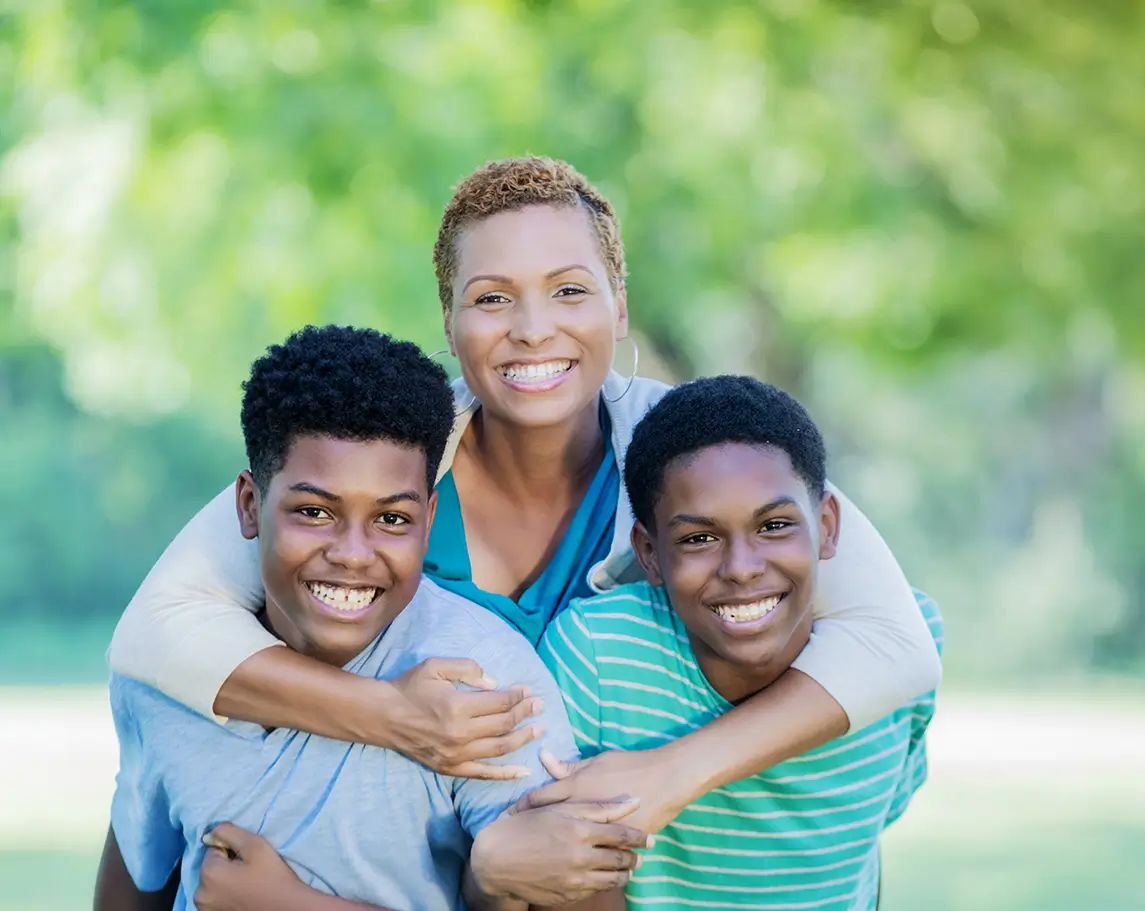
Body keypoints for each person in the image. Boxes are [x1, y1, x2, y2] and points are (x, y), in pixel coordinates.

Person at [106, 156, 942, 830]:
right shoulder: (388, 459)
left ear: (619, 307)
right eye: (492, 298)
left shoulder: (687, 452)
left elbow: (894, 644)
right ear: (449, 321)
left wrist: (670, 774)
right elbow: (155, 631)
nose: (533, 328)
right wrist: (391, 714)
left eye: (570, 289)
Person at [93, 326, 646, 911]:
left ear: (428, 519)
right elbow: (135, 882)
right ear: (250, 506)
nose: (353, 555)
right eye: (314, 512)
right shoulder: (167, 681)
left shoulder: (486, 687)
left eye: (391, 520)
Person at [537, 375, 943, 909]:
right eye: (699, 538)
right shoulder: (597, 656)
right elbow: (570, 875)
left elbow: (857, 855)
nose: (742, 568)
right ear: (650, 554)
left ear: (827, 526)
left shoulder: (910, 643)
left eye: (774, 526)